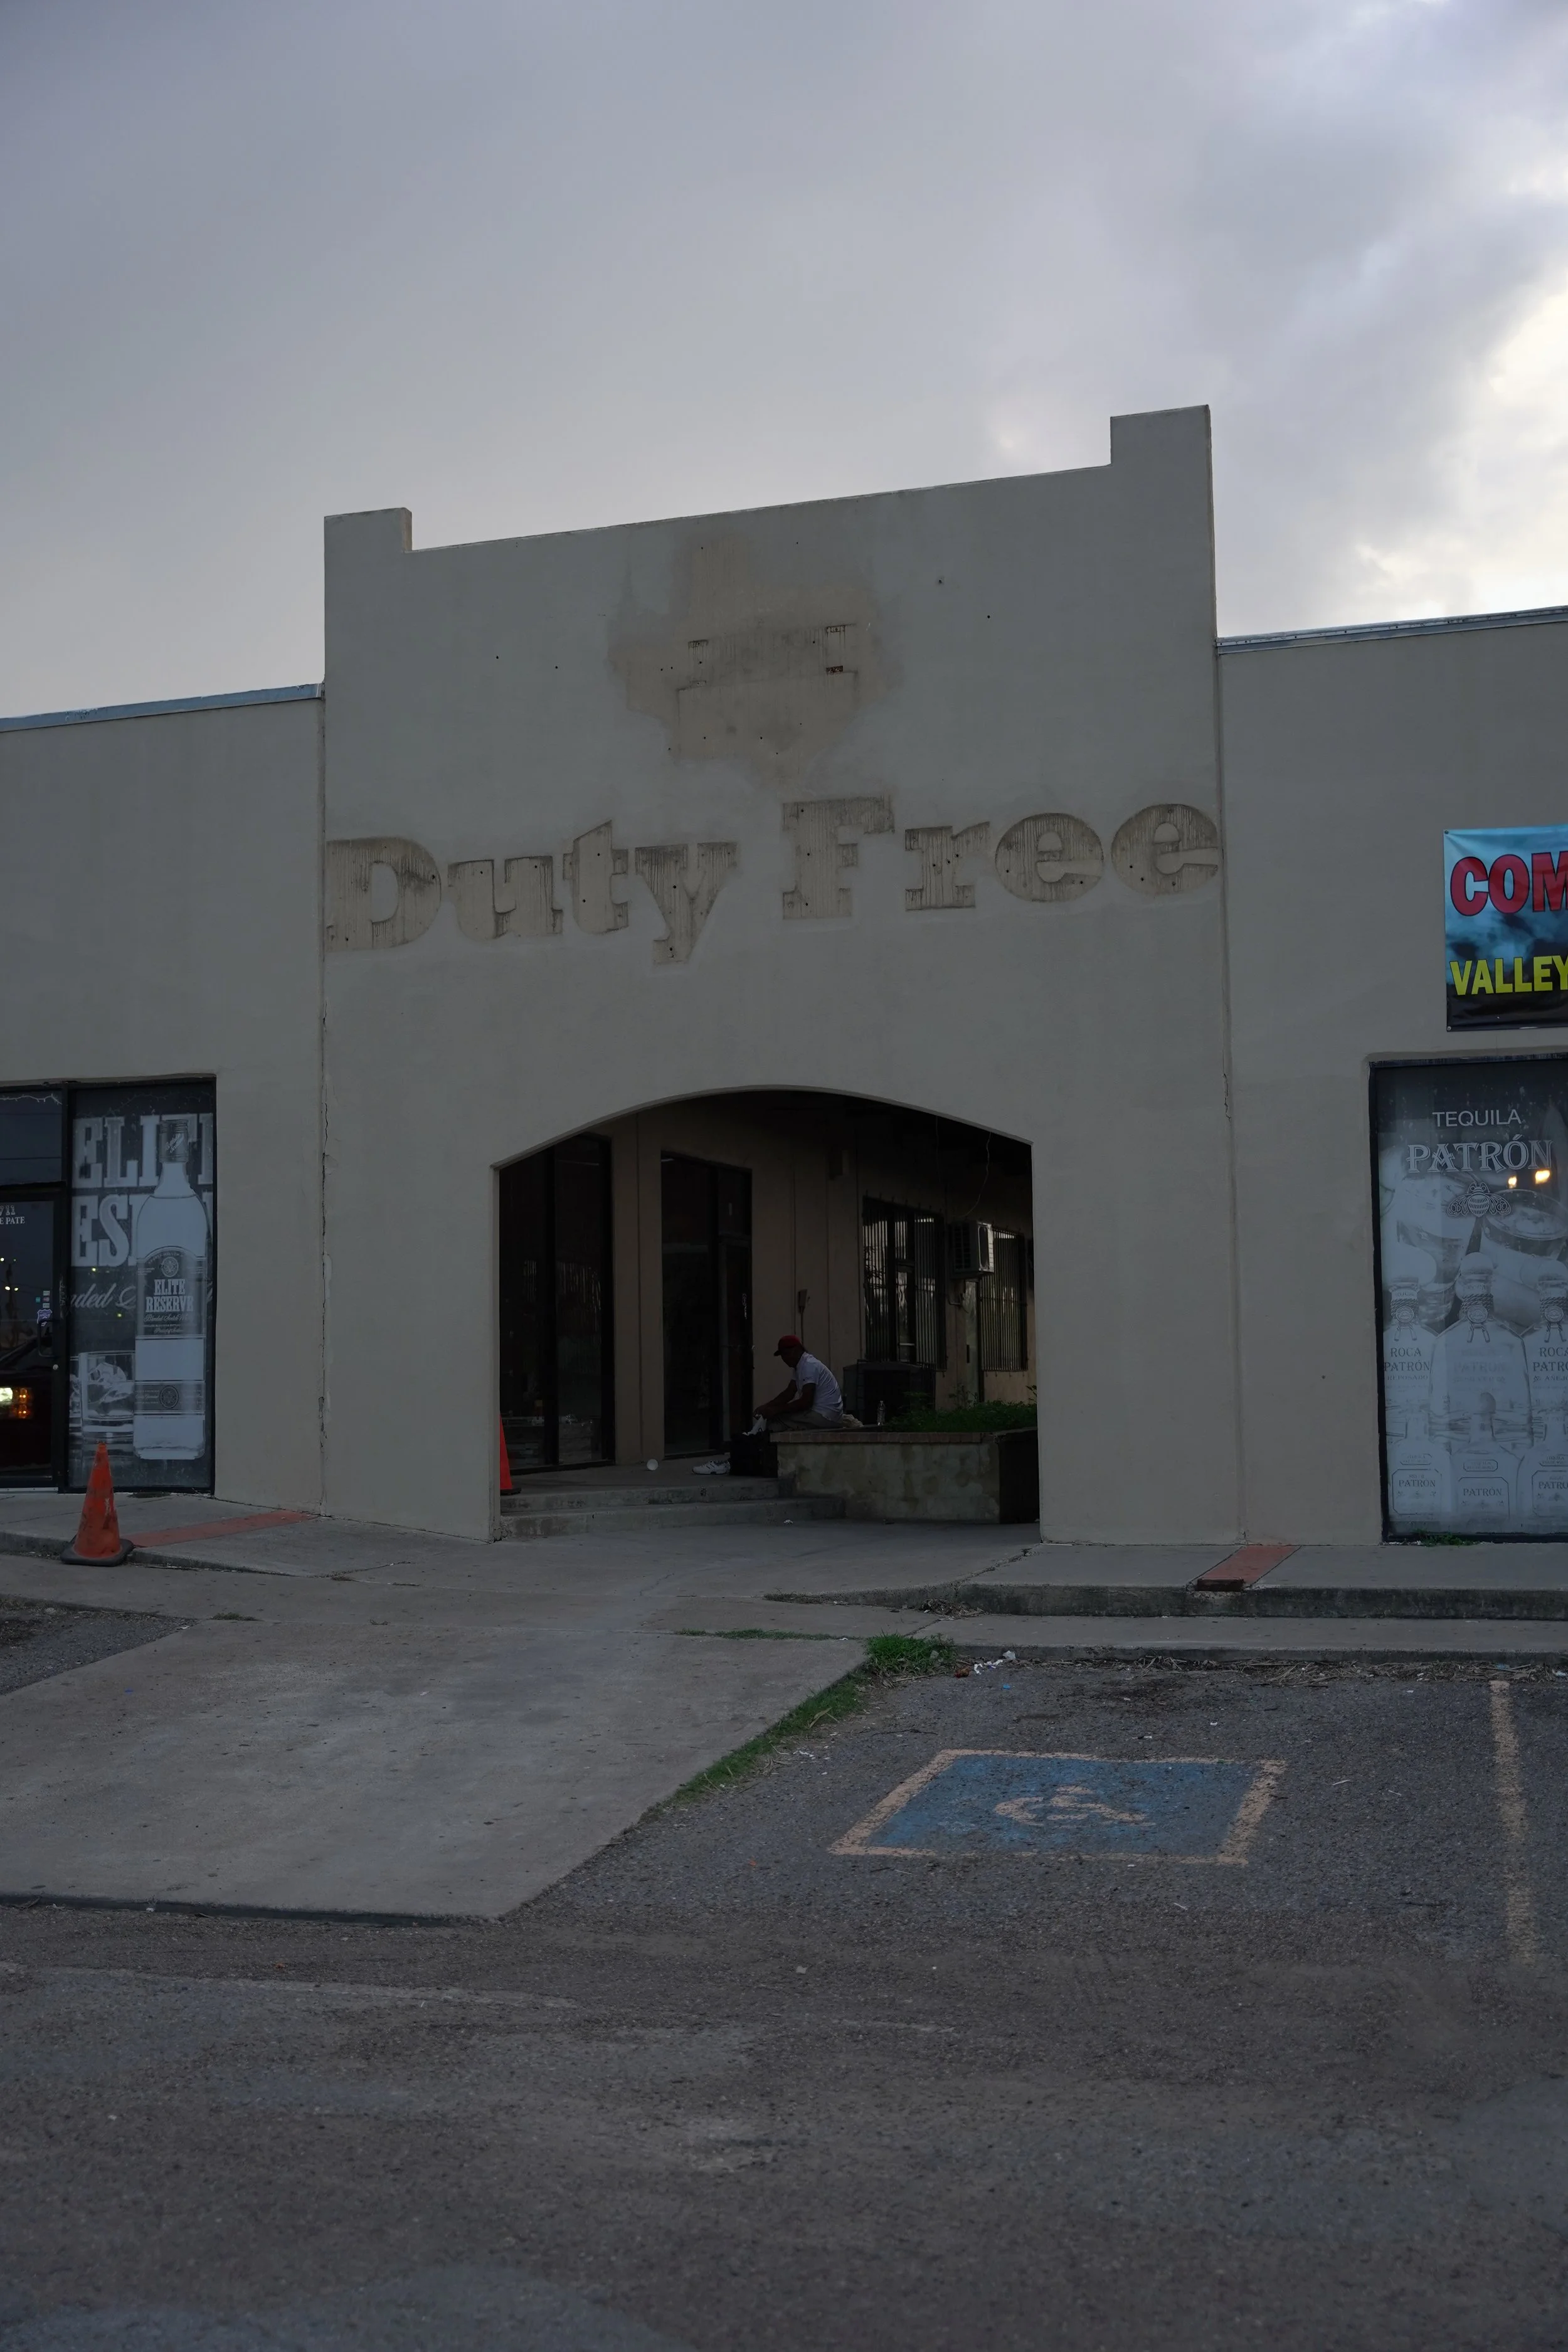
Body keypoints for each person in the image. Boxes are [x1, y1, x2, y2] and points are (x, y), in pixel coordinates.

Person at [756, 1335, 859, 1428]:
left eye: (786, 1354)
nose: (784, 1359)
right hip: (826, 1414)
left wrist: (777, 1409)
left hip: (824, 1416)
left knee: (776, 1423)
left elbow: (806, 1402)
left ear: (797, 1350)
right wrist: (767, 1406)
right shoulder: (799, 1366)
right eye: (782, 1355)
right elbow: (789, 1393)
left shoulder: (809, 1365)